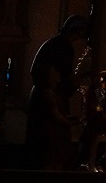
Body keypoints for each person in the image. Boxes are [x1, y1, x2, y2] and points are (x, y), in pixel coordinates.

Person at [24, 14, 92, 168]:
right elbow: (64, 81)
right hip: (48, 108)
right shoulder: (64, 48)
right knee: (50, 151)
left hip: (43, 100)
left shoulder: (53, 44)